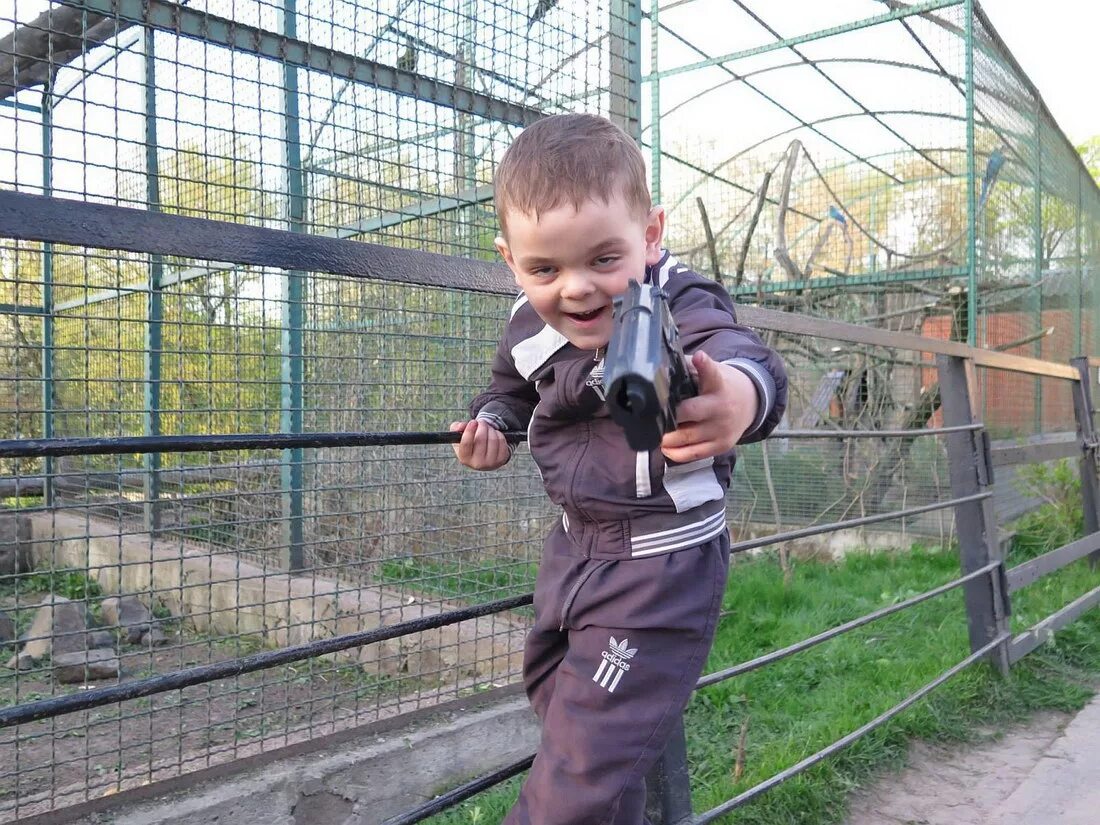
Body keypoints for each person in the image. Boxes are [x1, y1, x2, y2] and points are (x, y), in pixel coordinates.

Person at [450, 112, 787, 825]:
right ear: (511, 260)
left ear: (651, 235)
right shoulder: (527, 322)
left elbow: (744, 355)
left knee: (580, 767)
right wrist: (492, 424)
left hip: (659, 569)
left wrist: (739, 398)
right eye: (545, 268)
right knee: (563, 705)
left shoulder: (680, 300)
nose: (576, 289)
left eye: (605, 260)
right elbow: (509, 385)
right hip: (573, 552)